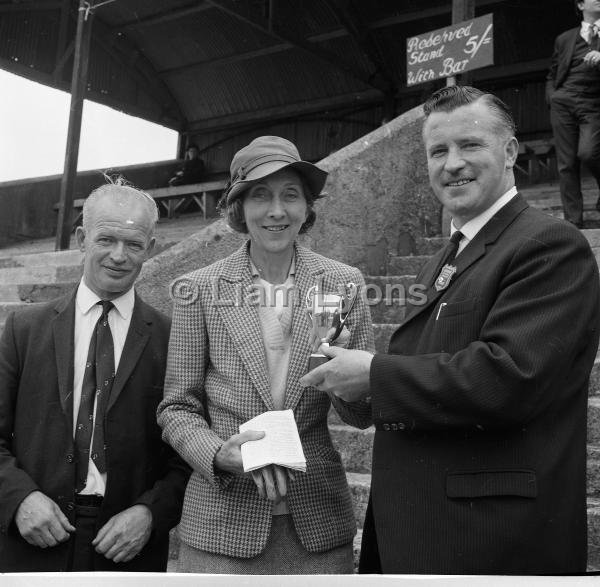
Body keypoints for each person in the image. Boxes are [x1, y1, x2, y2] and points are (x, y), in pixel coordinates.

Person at [301, 86, 600, 574]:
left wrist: (375, 373)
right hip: (428, 529)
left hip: (490, 540)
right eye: (438, 151)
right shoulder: (446, 257)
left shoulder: (549, 244)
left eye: (470, 145)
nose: (452, 163)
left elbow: (509, 378)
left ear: (510, 152)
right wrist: (343, 376)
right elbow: (423, 376)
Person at [157, 135, 373, 574]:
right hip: (221, 523)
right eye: (261, 196)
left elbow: (362, 415)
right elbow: (177, 407)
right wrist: (220, 454)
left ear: (307, 207)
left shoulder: (343, 283)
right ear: (238, 209)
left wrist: (342, 376)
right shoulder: (198, 289)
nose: (277, 211)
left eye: (290, 195)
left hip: (315, 523)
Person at [0, 179, 190, 572]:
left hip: (127, 550)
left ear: (150, 248)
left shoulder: (176, 338)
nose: (119, 256)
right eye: (106, 240)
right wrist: (18, 498)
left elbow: (187, 452)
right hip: (32, 541)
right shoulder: (23, 329)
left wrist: (151, 513)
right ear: (82, 238)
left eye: (134, 244)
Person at [546, 0, 600, 228]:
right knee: (566, 163)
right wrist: (552, 96)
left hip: (594, 103)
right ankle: (574, 222)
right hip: (563, 102)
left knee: (589, 153)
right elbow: (553, 72)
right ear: (580, 5)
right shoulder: (565, 38)